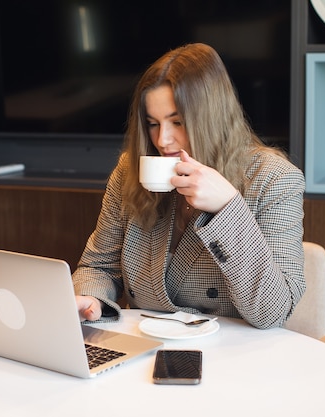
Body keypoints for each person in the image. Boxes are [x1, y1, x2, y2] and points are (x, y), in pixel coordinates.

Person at [73, 43, 305, 329]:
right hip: (149, 348)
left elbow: (274, 311)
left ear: (210, 118)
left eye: (177, 122)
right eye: (152, 123)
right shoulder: (130, 171)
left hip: (236, 357)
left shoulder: (274, 179)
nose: (162, 140)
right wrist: (90, 298)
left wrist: (227, 209)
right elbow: (98, 266)